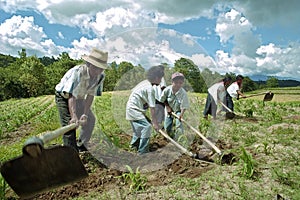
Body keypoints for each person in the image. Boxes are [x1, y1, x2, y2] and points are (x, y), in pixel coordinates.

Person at [55, 48, 108, 152]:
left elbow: (90, 95)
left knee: (90, 120)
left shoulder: (100, 77)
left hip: (79, 97)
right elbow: (71, 95)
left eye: (101, 68)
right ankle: (71, 153)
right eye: (95, 68)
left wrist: (85, 114)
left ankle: (81, 147)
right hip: (64, 96)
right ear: (89, 64)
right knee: (69, 127)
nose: (98, 71)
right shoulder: (78, 72)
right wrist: (74, 116)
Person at [126, 65, 165, 154]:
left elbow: (144, 101)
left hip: (131, 109)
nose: (161, 80)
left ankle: (133, 146)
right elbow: (152, 108)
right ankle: (142, 151)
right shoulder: (150, 89)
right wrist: (155, 123)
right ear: (156, 77)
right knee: (147, 127)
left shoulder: (144, 84)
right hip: (134, 110)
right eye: (160, 78)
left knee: (138, 129)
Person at [159, 72, 189, 140]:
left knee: (179, 125)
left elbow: (184, 105)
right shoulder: (167, 90)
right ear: (172, 82)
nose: (178, 85)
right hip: (169, 110)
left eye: (180, 83)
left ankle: (180, 139)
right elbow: (163, 99)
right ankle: (170, 137)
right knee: (167, 127)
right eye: (176, 82)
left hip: (178, 110)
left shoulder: (183, 93)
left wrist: (181, 114)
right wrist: (168, 107)